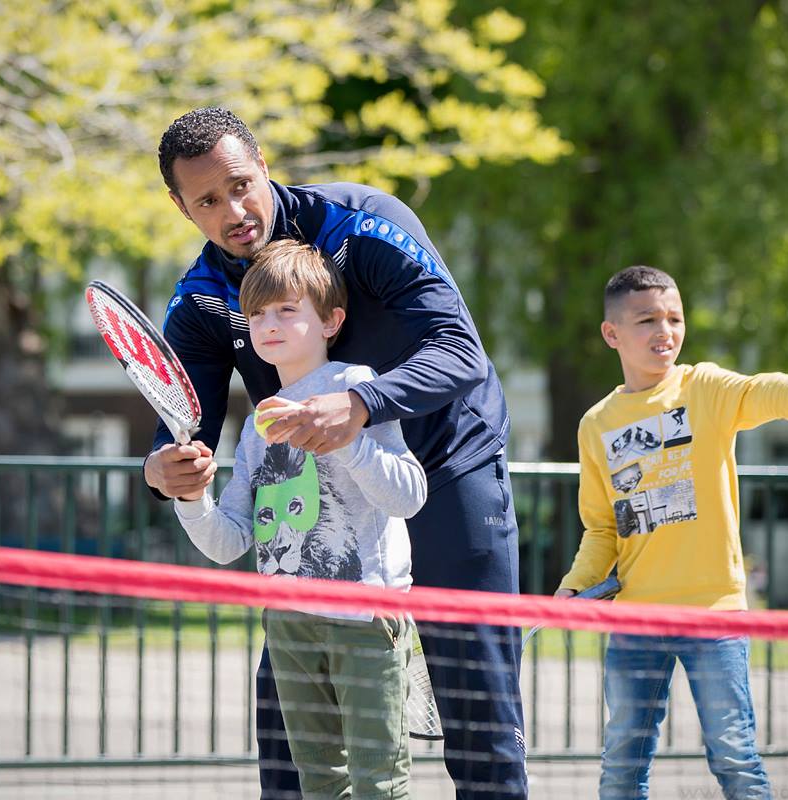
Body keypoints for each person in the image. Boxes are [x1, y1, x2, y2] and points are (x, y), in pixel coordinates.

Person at [146, 107, 527, 799]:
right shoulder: (200, 299)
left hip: (444, 466)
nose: (232, 209)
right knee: (292, 726)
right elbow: (184, 427)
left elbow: (461, 352)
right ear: (181, 207)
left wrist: (359, 407)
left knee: (477, 707)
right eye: (206, 200)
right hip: (324, 515)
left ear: (263, 164)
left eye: (240, 184)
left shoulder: (362, 222)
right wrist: (164, 470)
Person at [556, 265, 788, 799]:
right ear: (611, 334)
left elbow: (767, 391)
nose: (665, 330)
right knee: (621, 766)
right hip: (637, 619)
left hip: (714, 614)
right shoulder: (596, 424)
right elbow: (601, 528)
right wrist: (576, 585)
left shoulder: (705, 387)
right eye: (647, 320)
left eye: (674, 317)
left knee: (735, 759)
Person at [175, 239, 425, 799]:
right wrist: (191, 498)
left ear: (332, 319)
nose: (269, 323)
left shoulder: (353, 386)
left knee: (380, 780)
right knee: (318, 781)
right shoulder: (254, 427)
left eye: (287, 309)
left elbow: (409, 495)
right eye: (257, 312)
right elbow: (228, 542)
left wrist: (346, 438)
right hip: (286, 621)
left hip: (366, 616)